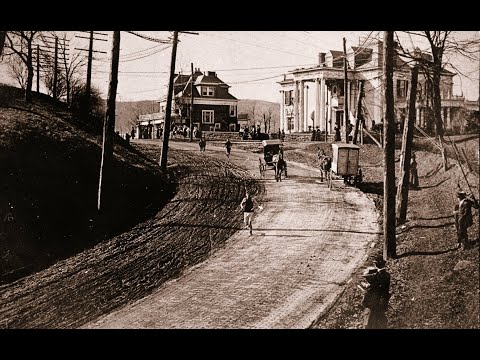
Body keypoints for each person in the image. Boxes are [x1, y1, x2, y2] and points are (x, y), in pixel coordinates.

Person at [360, 255, 391, 329]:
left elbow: (365, 302)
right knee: (380, 321)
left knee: (370, 322)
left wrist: (367, 286)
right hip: (382, 301)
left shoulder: (378, 276)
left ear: (377, 264)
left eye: (375, 263)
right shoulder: (386, 275)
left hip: (375, 304)